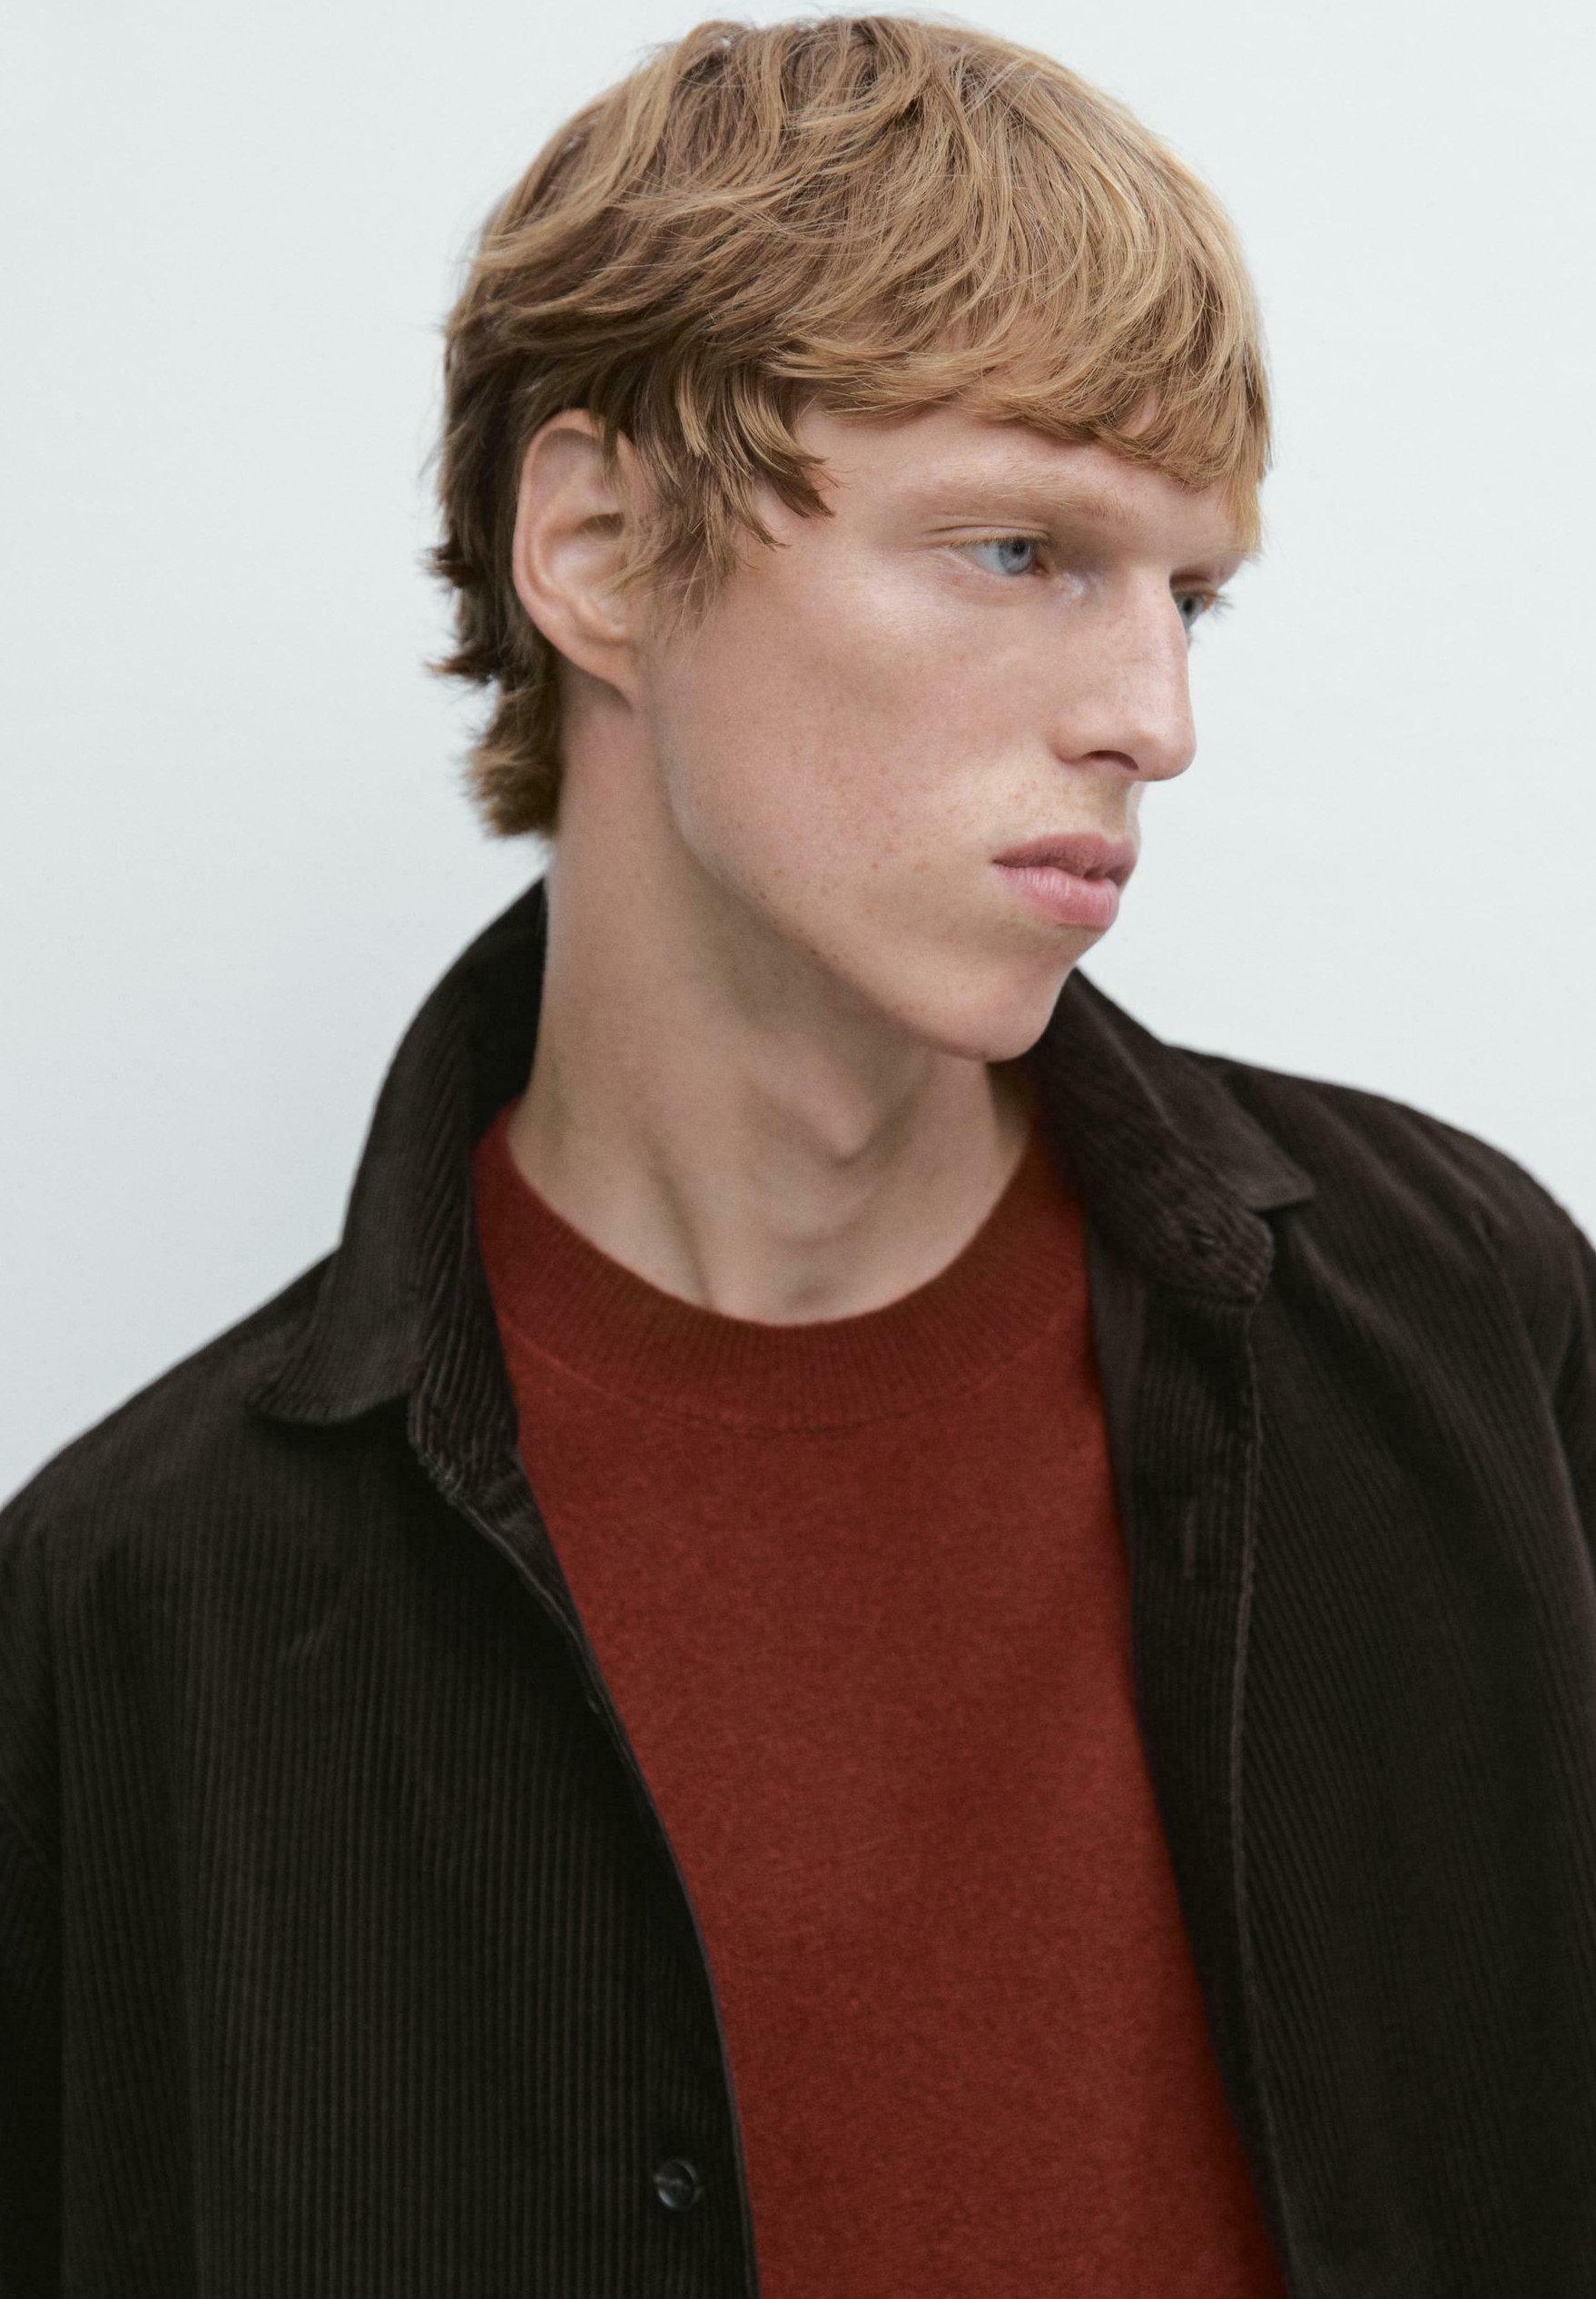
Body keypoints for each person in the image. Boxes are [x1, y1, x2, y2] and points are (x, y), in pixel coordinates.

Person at [3, 15, 1593, 2295]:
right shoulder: (134, 1613)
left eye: (1191, 594)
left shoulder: (1466, 1320)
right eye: (1022, 547)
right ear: (598, 547)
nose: (1154, 716)